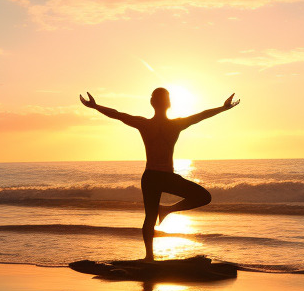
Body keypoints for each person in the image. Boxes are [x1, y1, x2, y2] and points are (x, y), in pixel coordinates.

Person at [80, 87, 239, 260]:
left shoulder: (145, 124)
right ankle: (156, 237)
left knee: (150, 216)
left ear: (152, 103)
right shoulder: (175, 124)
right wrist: (222, 108)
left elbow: (117, 114)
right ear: (168, 103)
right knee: (201, 197)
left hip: (151, 177)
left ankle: (152, 249)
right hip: (163, 177)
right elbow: (201, 115)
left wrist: (96, 106)